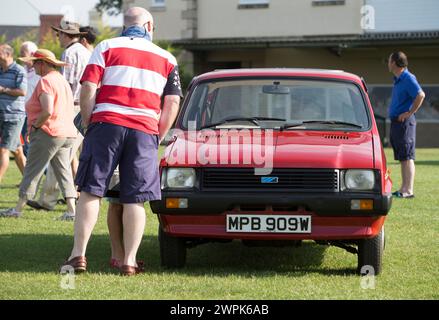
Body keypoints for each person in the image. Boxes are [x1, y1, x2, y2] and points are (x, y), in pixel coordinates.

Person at [63, 7, 182, 276]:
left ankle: (78, 255)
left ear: (124, 25)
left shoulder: (106, 46)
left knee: (91, 190)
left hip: (106, 124)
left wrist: (89, 121)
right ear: (149, 26)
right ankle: (129, 261)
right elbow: (172, 101)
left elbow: (88, 87)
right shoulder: (167, 57)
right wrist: (158, 134)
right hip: (144, 130)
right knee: (134, 199)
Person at [0, 49, 77, 218]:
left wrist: (35, 127)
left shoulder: (46, 81)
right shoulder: (61, 80)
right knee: (63, 173)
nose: (32, 65)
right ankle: (72, 211)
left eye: (34, 62)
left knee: (32, 172)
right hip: (67, 133)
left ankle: (17, 210)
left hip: (48, 133)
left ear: (42, 64)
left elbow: (47, 110)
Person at [27, 21, 90, 217]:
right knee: (73, 156)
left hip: (71, 107)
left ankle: (49, 200)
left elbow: (66, 85)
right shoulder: (87, 51)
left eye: (59, 34)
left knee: (59, 156)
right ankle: (72, 195)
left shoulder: (69, 53)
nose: (57, 37)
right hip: (86, 106)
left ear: (65, 35)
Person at [388, 51, 425, 199]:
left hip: (405, 123)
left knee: (408, 156)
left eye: (389, 60)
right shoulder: (398, 79)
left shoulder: (408, 78)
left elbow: (420, 95)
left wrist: (410, 112)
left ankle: (408, 190)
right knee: (403, 157)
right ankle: (403, 188)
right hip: (397, 122)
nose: (388, 63)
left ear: (395, 63)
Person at [0, 44, 27, 184]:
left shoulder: (19, 70)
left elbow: (22, 91)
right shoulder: (0, 70)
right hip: (1, 115)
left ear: (7, 54)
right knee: (17, 151)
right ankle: (30, 184)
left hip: (13, 117)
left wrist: (3, 89)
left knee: (3, 150)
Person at [20, 41, 40, 157]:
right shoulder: (22, 70)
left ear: (32, 53)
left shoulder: (40, 73)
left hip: (36, 115)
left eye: (23, 53)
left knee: (31, 149)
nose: (21, 55)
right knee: (26, 148)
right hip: (23, 113)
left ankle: (46, 174)